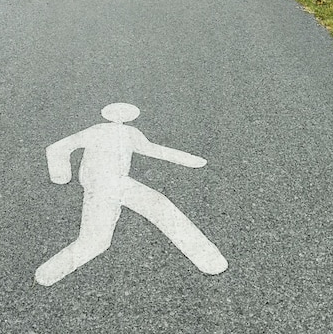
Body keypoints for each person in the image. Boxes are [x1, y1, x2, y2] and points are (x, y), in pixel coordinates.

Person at [35, 103, 228, 287]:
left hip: (112, 182)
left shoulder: (130, 133)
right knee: (102, 237)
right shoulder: (97, 130)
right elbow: (56, 148)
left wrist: (189, 160)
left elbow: (154, 150)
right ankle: (49, 272)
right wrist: (61, 176)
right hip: (104, 183)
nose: (120, 117)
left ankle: (209, 259)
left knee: (152, 209)